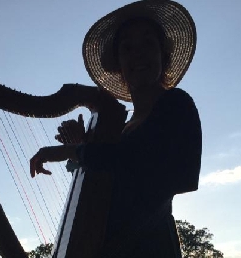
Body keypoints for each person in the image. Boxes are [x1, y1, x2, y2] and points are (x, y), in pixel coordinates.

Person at [30, 0, 202, 257]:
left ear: (162, 55)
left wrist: (74, 150)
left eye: (148, 43)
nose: (139, 53)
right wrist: (83, 145)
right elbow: (111, 176)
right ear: (117, 63)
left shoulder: (177, 104)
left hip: (152, 248)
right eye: (127, 47)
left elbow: (176, 175)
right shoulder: (121, 129)